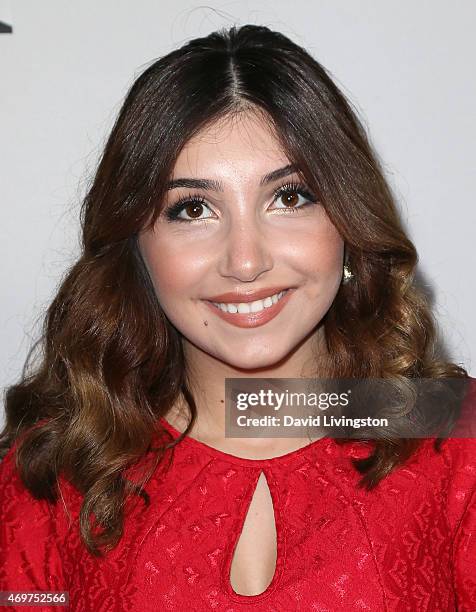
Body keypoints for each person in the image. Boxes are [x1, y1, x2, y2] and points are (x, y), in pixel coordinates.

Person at [0, 24, 474, 612]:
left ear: (349, 221)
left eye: (290, 197)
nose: (246, 261)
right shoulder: (57, 466)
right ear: (136, 248)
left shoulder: (458, 441)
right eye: (193, 208)